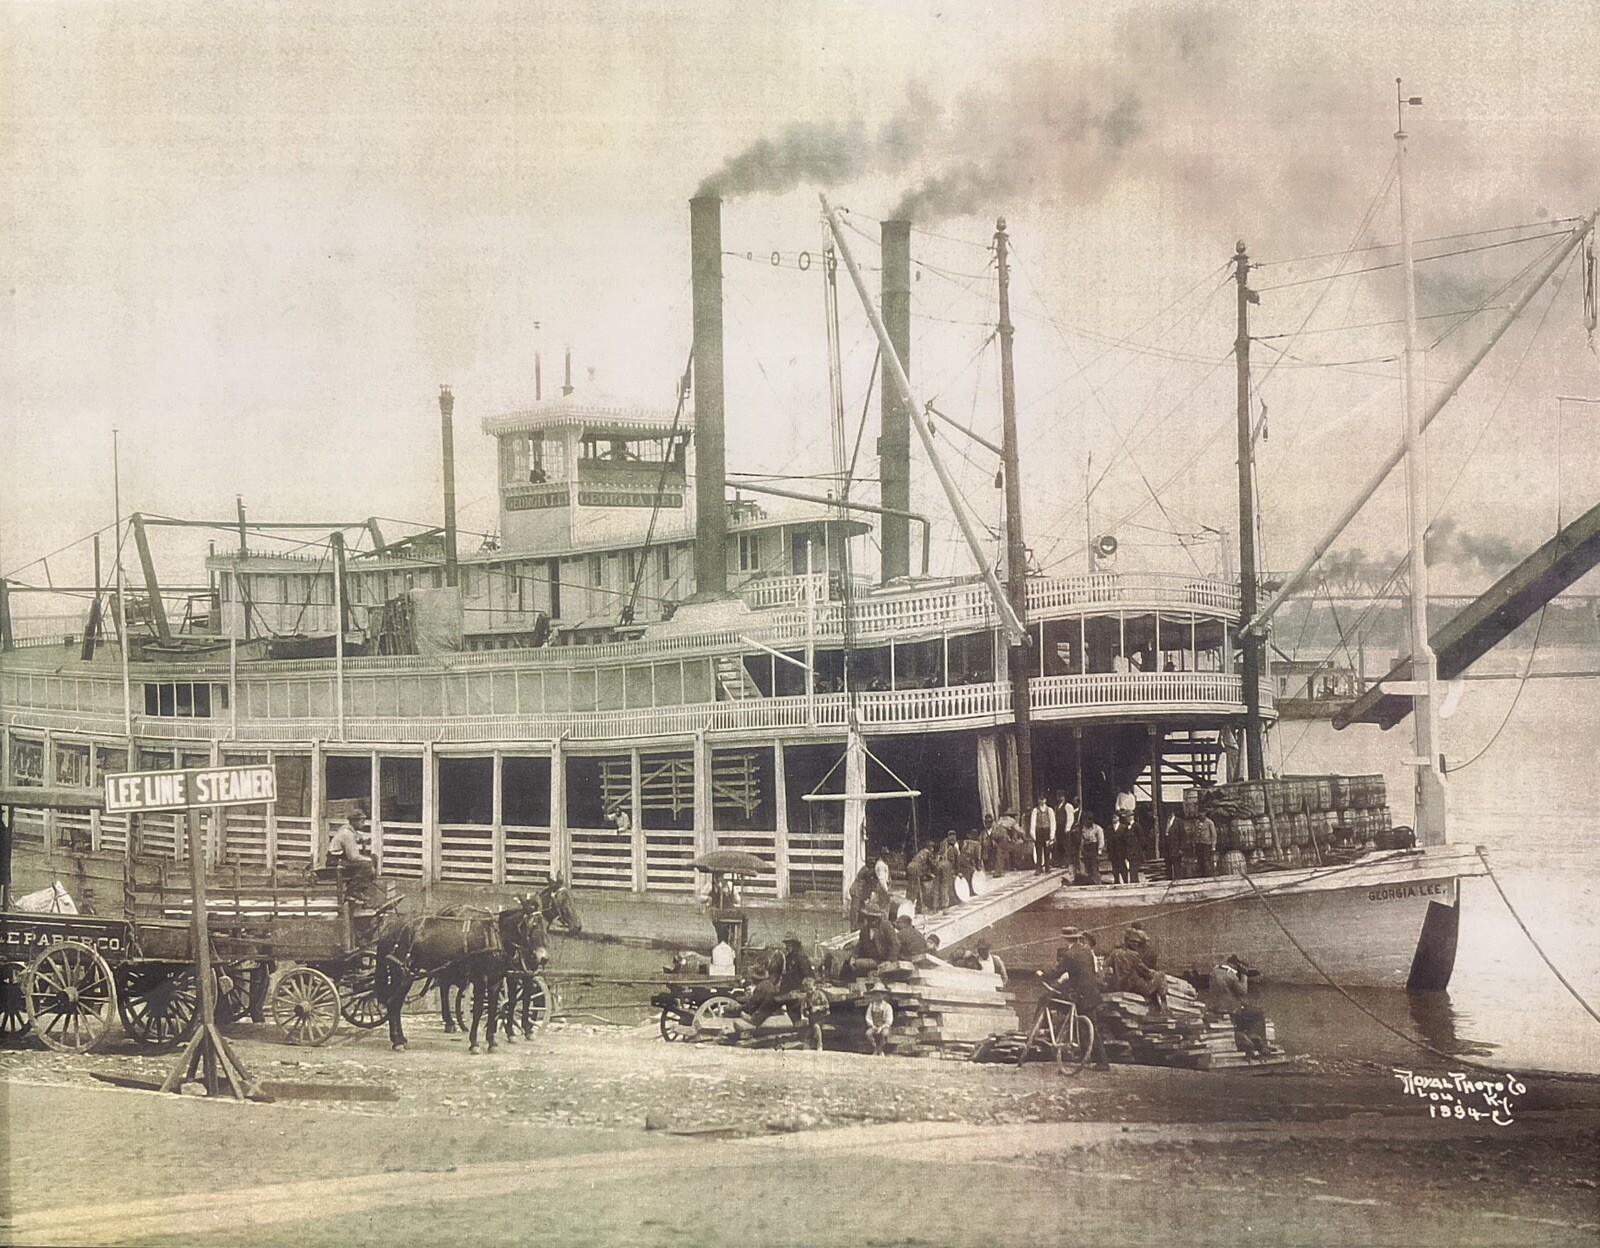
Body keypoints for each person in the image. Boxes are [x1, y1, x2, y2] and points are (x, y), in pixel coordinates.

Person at [1047, 929, 1110, 1071]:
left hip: (1081, 996)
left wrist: (1041, 974)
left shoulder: (1070, 954)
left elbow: (1058, 971)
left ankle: (1102, 1062)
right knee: (1089, 1027)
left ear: (1065, 939)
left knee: (1089, 1028)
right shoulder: (1087, 952)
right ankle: (1088, 1059)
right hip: (1091, 994)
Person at [1210, 954, 1269, 1058]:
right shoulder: (1230, 974)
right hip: (1230, 1010)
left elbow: (1226, 992)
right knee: (1257, 1014)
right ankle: (1258, 1042)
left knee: (1246, 1012)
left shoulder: (1215, 972)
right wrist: (1244, 975)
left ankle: (1248, 1038)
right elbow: (1242, 991)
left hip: (1216, 1008)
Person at [327, 807, 381, 910]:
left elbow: (356, 838)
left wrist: (361, 840)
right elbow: (353, 857)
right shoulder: (346, 834)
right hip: (336, 862)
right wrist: (368, 861)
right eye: (361, 821)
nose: (363, 824)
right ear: (354, 821)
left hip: (342, 860)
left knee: (373, 858)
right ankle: (353, 891)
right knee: (367, 865)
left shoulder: (349, 831)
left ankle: (365, 890)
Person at [1106, 928, 1166, 1013]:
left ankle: (1155, 1006)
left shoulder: (1115, 953)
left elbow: (1105, 966)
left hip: (1120, 985)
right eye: (1133, 941)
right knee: (1160, 976)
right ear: (1126, 941)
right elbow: (1146, 972)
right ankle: (1164, 1007)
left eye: (1137, 942)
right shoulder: (1133, 955)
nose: (1136, 944)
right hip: (1133, 987)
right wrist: (1152, 972)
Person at [864, 981, 894, 1055]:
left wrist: (881, 1027)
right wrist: (872, 1025)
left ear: (883, 995)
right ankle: (875, 1048)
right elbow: (868, 1017)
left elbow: (889, 1021)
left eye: (879, 994)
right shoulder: (871, 1005)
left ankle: (881, 1049)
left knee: (885, 1034)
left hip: (884, 1026)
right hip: (874, 1026)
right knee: (868, 1033)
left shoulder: (887, 1006)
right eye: (876, 995)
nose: (877, 997)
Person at [1028, 795, 1055, 875]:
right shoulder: (1035, 810)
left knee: (1047, 849)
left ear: (1045, 800)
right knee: (1039, 850)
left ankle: (1047, 866)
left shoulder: (1049, 810)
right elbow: (1032, 822)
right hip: (1039, 831)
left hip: (1046, 831)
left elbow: (1052, 822)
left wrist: (1052, 834)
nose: (1041, 801)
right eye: (1040, 799)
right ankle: (1039, 867)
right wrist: (1032, 833)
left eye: (1043, 799)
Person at [905, 844, 937, 912]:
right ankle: (909, 909)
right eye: (932, 848)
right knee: (914, 890)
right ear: (930, 848)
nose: (933, 850)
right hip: (916, 870)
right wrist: (936, 870)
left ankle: (918, 906)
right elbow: (932, 864)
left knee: (913, 888)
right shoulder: (927, 853)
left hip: (910, 868)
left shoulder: (921, 852)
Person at [1188, 809, 1219, 878]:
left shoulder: (1209, 822)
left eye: (1202, 813)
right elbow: (1195, 833)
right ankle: (1200, 874)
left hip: (1206, 844)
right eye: (1199, 813)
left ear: (1205, 813)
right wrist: (1194, 842)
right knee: (1200, 859)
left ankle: (1207, 874)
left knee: (1206, 860)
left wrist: (1213, 846)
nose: (1201, 814)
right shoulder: (1197, 822)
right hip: (1199, 844)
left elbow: (1213, 834)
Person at [1077, 812, 1105, 885]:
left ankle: (1098, 883)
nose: (1089, 821)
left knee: (1094, 867)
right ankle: (1090, 882)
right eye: (1087, 819)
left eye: (1090, 819)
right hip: (1087, 848)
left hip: (1094, 848)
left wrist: (1099, 851)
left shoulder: (1097, 828)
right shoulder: (1084, 829)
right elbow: (1082, 840)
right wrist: (1082, 851)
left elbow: (1101, 840)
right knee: (1088, 867)